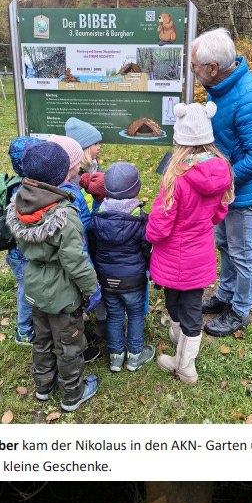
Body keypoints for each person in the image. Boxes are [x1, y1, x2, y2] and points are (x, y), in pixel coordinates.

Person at [5, 139, 99, 414]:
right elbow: (75, 259)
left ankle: (43, 385)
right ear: (62, 175)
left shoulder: (18, 203)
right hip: (62, 294)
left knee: (42, 339)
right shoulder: (64, 215)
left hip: (34, 286)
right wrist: (91, 287)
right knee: (69, 344)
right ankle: (72, 393)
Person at [191, 29, 252, 340]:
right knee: (224, 244)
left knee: (241, 251)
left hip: (239, 190)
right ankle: (225, 295)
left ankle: (240, 309)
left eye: (195, 66)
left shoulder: (250, 97)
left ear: (213, 68)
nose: (193, 71)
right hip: (223, 187)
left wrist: (222, 183)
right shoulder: (222, 87)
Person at [147, 100, 233, 386]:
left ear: (179, 141)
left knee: (175, 301)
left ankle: (183, 361)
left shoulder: (176, 177)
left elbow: (160, 225)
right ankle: (183, 350)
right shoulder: (222, 172)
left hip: (173, 254)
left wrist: (148, 233)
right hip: (200, 253)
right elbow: (219, 213)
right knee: (192, 305)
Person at [88, 159, 153, 375]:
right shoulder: (141, 220)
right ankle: (134, 356)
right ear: (136, 189)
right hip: (133, 279)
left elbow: (93, 248)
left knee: (114, 315)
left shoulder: (96, 219)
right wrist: (149, 268)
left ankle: (116, 358)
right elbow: (147, 249)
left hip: (107, 279)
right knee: (135, 315)